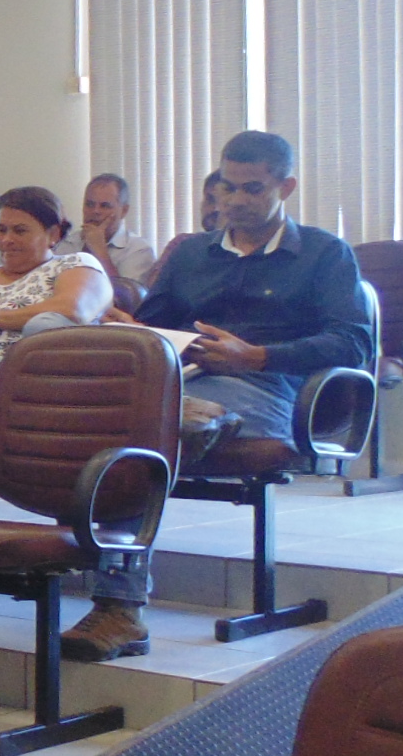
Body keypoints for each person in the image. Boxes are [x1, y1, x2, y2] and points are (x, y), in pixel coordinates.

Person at [63, 130, 373, 662]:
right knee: (111, 415)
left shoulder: (323, 253)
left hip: (269, 388)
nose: (235, 201)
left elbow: (353, 342)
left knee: (144, 431)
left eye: (252, 189)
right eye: (227, 188)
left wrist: (256, 356)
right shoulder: (192, 254)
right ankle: (184, 420)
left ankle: (120, 607)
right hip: (187, 378)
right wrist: (130, 327)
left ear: (285, 187)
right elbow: (156, 326)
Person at [0, 187, 114, 516]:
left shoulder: (74, 265)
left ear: (53, 234)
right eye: (1, 230)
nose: (6, 240)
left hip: (27, 384)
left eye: (20, 231)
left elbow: (73, 309)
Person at [62, 174, 159, 296]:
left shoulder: (138, 250)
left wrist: (100, 251)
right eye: (89, 204)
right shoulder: (67, 244)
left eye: (105, 206)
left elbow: (127, 299)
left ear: (124, 211)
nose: (95, 211)